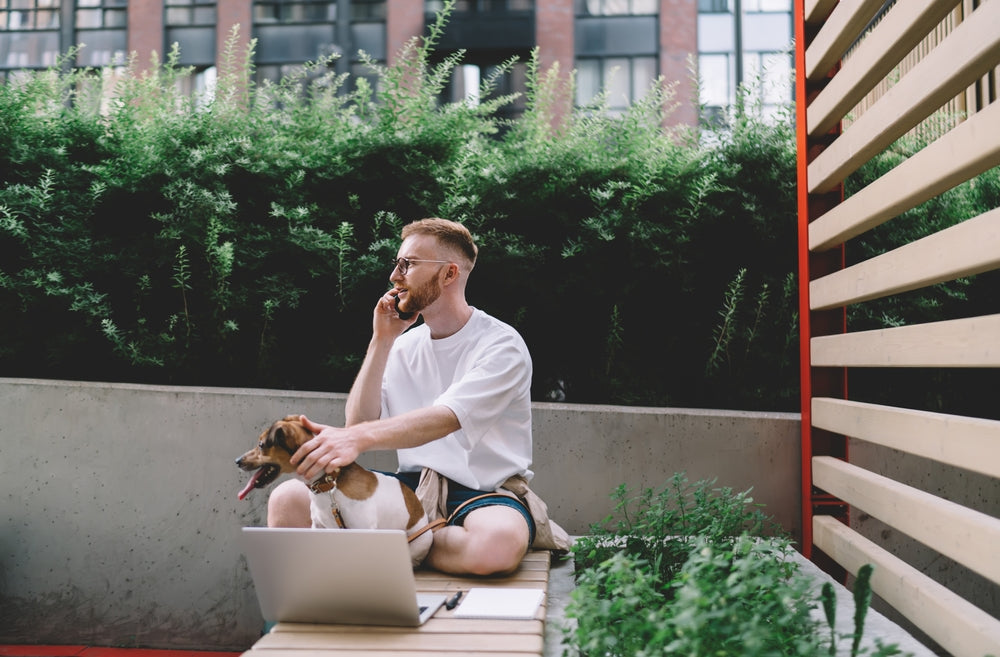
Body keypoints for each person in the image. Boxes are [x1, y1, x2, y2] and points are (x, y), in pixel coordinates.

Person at [267, 217, 556, 576]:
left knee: (496, 544)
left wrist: (354, 438)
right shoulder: (402, 346)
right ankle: (399, 548)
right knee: (288, 499)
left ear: (449, 274)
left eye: (409, 264)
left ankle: (395, 544)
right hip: (410, 488)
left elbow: (446, 418)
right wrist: (382, 340)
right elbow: (359, 423)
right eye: (397, 263)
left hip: (483, 493)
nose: (395, 275)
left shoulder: (501, 345)